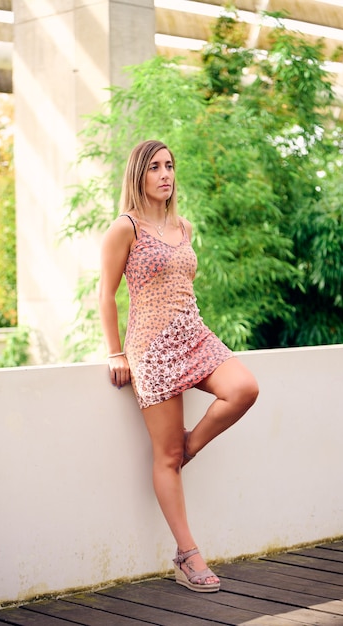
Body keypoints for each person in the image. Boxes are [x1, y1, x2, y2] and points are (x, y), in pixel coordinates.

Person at [98, 139, 259, 593]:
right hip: (151, 348)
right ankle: (188, 555)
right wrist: (116, 352)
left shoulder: (183, 226)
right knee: (162, 457)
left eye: (169, 166)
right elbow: (106, 293)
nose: (165, 174)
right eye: (155, 167)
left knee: (244, 388)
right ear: (138, 175)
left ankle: (185, 449)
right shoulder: (124, 228)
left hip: (195, 335)